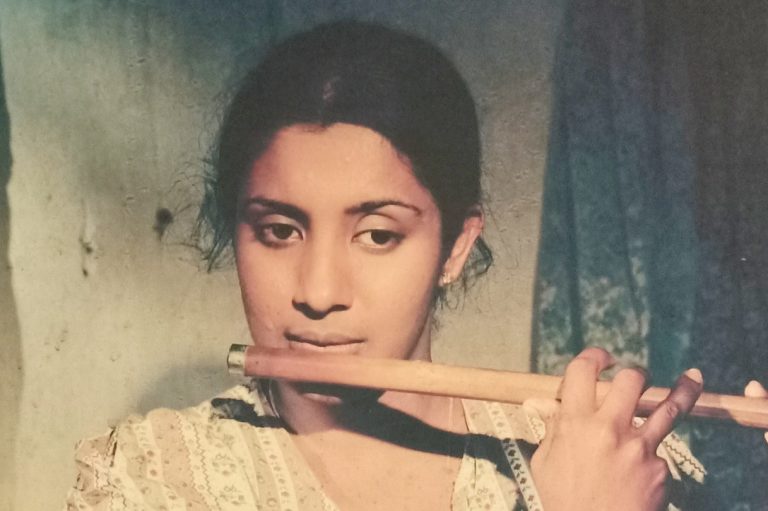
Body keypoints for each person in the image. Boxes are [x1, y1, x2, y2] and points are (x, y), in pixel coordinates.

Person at [64, 21, 765, 511]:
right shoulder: (150, 480)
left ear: (455, 247)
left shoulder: (620, 467)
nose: (318, 292)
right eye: (279, 231)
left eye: (376, 235)